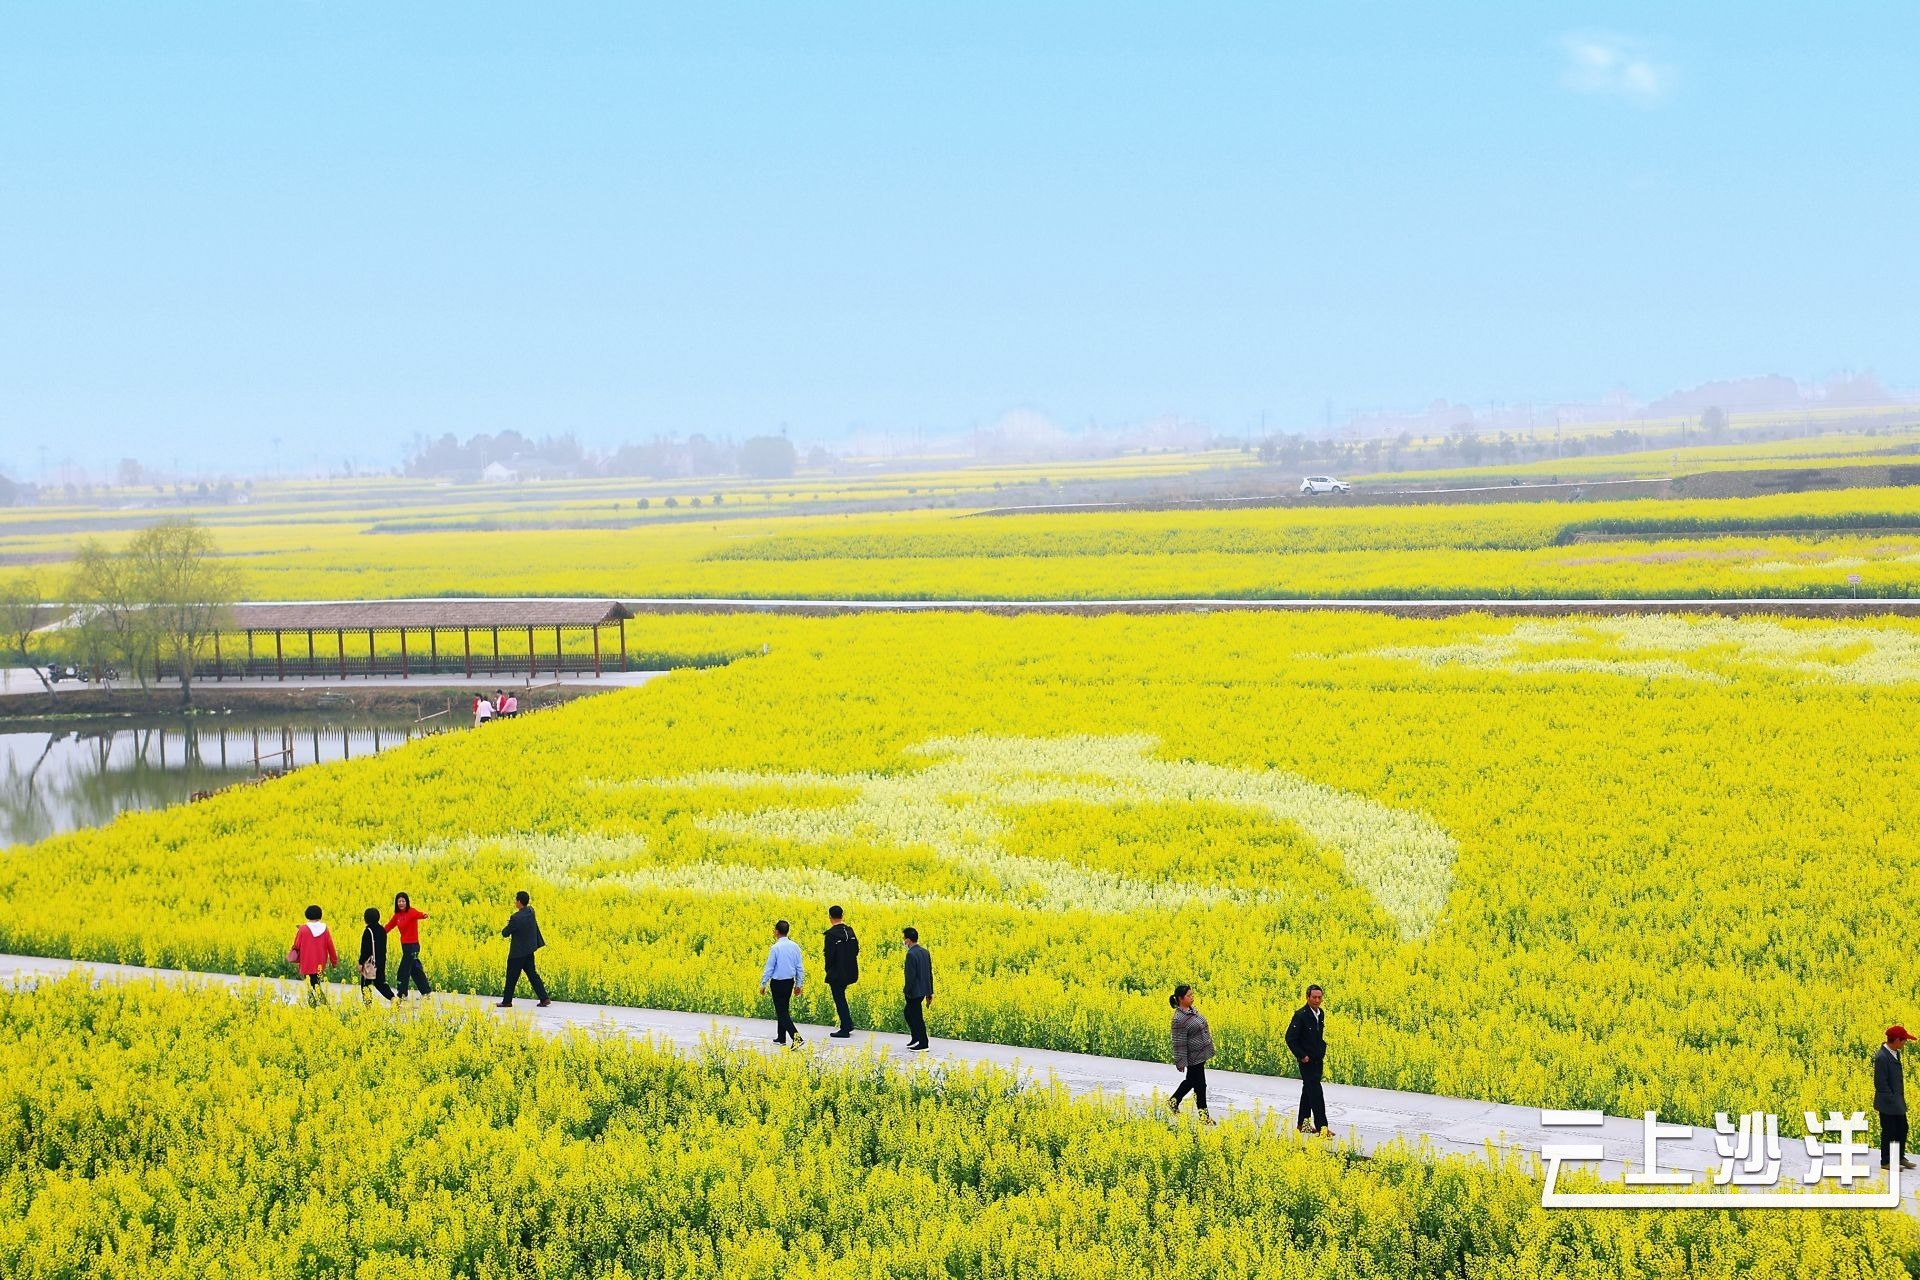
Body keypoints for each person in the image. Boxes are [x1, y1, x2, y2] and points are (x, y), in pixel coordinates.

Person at [1168, 983, 1216, 1124]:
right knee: (1200, 1086)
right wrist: (1180, 1061)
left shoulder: (1192, 1010)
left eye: (1192, 995)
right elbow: (1179, 1042)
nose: (1192, 997)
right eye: (1189, 996)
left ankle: (1173, 1101)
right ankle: (1204, 1116)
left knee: (1191, 1081)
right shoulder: (1179, 1019)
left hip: (1201, 1054)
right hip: (1193, 1057)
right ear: (1180, 999)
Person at [1286, 983, 1330, 1135]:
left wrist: (1322, 1049)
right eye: (1314, 997)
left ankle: (1302, 1125)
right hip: (1307, 1061)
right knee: (1316, 1093)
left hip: (1318, 1059)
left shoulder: (1320, 1013)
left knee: (1308, 1091)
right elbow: (1290, 1038)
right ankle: (1322, 1127)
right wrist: (1301, 1055)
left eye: (1319, 997)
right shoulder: (1301, 1015)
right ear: (1307, 997)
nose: (1317, 1000)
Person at [497, 890, 550, 1007]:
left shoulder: (515, 918)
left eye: (516, 900)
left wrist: (509, 924)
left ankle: (507, 1001)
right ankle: (544, 998)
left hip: (517, 954)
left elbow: (505, 933)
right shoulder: (531, 911)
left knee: (511, 977)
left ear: (519, 902)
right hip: (529, 951)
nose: (515, 902)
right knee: (532, 975)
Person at [759, 919, 805, 1047]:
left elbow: (769, 968)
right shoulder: (795, 946)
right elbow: (799, 967)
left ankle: (796, 1038)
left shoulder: (775, 948)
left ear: (777, 932)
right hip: (789, 982)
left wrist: (763, 984)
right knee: (783, 1009)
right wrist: (798, 985)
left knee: (781, 1012)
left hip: (777, 983)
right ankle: (781, 1037)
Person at [1876, 1026, 1915, 1171]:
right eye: (1904, 1040)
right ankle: (1886, 1161)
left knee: (1902, 1128)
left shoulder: (1895, 1053)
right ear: (1897, 1040)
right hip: (1887, 1103)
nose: (1905, 1043)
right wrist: (1893, 1099)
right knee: (1889, 1131)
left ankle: (1899, 1157)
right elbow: (1880, 1083)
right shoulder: (1882, 1057)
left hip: (1897, 1101)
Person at [384, 892, 433, 999]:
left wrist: (424, 915)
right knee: (415, 969)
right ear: (396, 903)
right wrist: (379, 933)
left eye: (403, 901)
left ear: (407, 902)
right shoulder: (397, 916)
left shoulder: (411, 912)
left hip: (413, 946)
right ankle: (426, 992)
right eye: (399, 901)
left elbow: (419, 914)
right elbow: (389, 926)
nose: (401, 903)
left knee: (403, 970)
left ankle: (402, 994)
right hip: (405, 947)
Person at [823, 904, 860, 1038]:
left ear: (830, 917)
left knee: (839, 999)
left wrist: (829, 970)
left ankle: (845, 1028)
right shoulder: (850, 931)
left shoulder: (831, 935)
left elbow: (829, 955)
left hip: (837, 973)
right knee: (841, 997)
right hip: (850, 971)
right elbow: (856, 950)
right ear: (842, 916)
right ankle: (848, 1023)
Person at [288, 904, 338, 1003]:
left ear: (307, 915)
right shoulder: (325, 929)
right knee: (315, 982)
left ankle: (322, 1004)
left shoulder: (303, 929)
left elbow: (297, 945)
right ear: (320, 915)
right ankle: (316, 1004)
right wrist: (334, 961)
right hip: (320, 962)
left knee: (311, 985)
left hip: (307, 961)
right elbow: (330, 946)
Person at [901, 926, 933, 1051]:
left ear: (908, 940)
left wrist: (907, 991)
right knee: (908, 1013)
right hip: (923, 990)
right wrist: (929, 993)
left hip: (914, 992)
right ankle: (916, 1037)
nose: (903, 941)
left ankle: (923, 1043)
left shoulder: (911, 954)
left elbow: (911, 976)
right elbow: (929, 973)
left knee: (916, 1017)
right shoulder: (925, 952)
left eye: (904, 939)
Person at [358, 907, 395, 1001]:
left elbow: (365, 949)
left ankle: (368, 1007)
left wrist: (361, 963)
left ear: (366, 919)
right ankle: (393, 998)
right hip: (381, 960)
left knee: (365, 984)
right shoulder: (382, 930)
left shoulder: (368, 931)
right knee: (380, 983)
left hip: (370, 962)